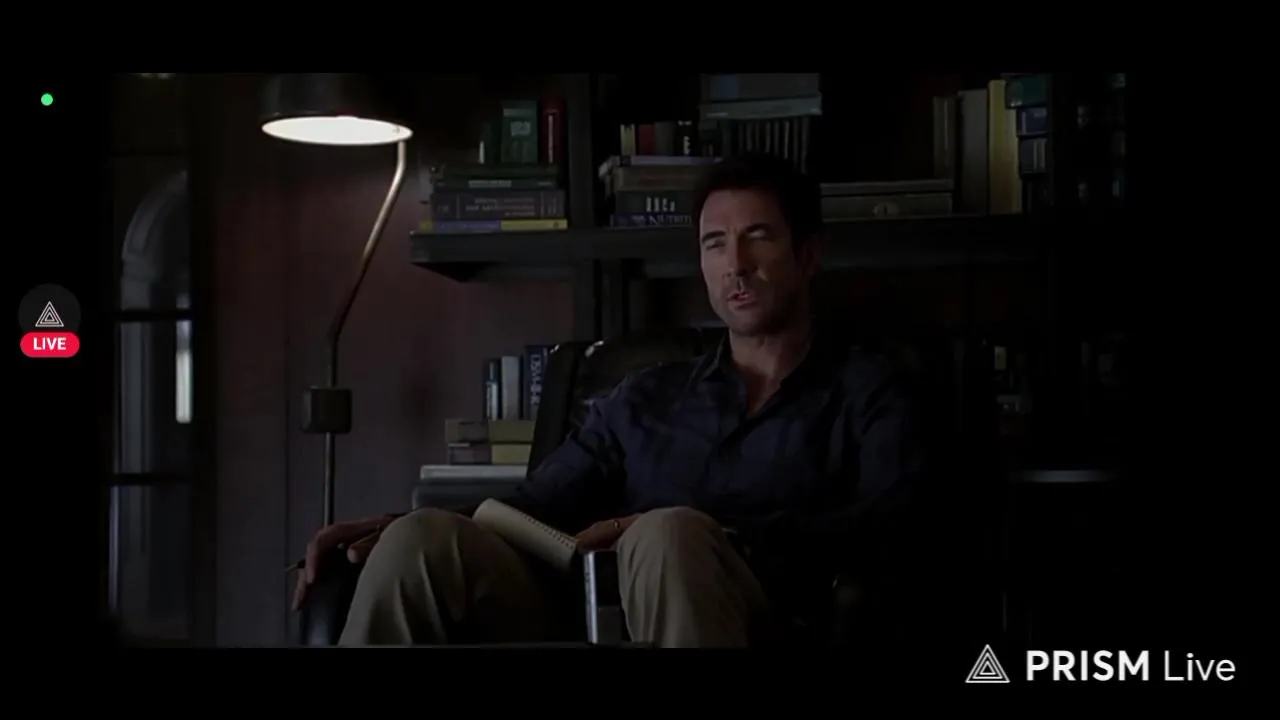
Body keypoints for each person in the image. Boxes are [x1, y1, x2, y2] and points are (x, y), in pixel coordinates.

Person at [294, 152, 925, 647]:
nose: (735, 263)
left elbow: (894, 529)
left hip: (768, 614)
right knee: (424, 540)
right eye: (714, 243)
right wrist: (391, 524)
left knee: (670, 533)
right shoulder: (647, 396)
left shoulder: (869, 390)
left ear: (807, 255)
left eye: (757, 237)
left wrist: (701, 533)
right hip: (592, 609)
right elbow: (532, 506)